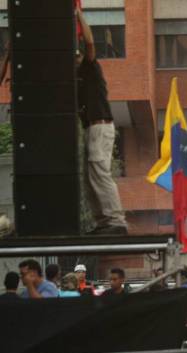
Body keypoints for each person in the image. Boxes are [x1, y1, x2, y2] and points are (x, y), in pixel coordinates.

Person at [76, 7, 127, 235]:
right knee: (90, 177)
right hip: (92, 127)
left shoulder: (90, 67)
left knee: (99, 172)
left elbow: (89, 44)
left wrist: (78, 15)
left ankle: (116, 220)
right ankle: (103, 221)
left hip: (100, 125)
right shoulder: (77, 78)